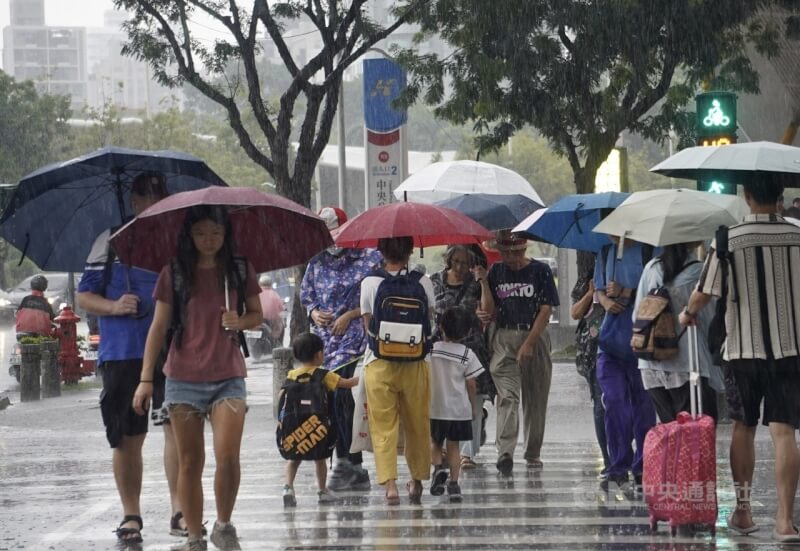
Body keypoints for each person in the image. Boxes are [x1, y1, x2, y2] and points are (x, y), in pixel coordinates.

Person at [132, 205, 262, 551]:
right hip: (183, 377)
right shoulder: (173, 272)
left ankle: (223, 523)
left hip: (228, 375)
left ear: (226, 235)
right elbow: (158, 327)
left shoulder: (238, 269)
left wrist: (239, 321)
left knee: (228, 455)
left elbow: (257, 316)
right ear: (190, 235)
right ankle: (193, 535)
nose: (209, 240)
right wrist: (146, 380)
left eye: (216, 233)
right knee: (190, 461)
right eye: (202, 233)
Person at [680, 176, 800, 542]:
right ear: (781, 198)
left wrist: (687, 313)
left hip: (742, 352)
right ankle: (785, 521)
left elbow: (705, 292)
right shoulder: (798, 236)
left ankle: (744, 512)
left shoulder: (728, 240)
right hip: (790, 351)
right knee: (784, 433)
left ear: (747, 197)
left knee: (743, 428)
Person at [77, 172, 174, 545]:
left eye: (159, 195)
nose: (153, 203)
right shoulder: (110, 241)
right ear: (134, 202)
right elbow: (85, 296)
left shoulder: (176, 238)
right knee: (126, 438)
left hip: (170, 349)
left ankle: (179, 509)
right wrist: (115, 306)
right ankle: (131, 513)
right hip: (122, 353)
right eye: (147, 197)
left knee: (176, 431)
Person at [300, 206, 382, 492]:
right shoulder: (316, 263)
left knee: (345, 397)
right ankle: (344, 460)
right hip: (324, 344)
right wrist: (314, 314)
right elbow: (307, 297)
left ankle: (352, 461)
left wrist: (351, 314)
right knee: (328, 402)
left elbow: (379, 297)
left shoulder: (370, 259)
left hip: (354, 341)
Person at [475, 230, 558, 475]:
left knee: (535, 398)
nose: (510, 257)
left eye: (516, 252)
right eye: (505, 252)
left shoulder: (540, 271)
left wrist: (530, 343)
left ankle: (532, 452)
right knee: (507, 396)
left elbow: (546, 310)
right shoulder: (497, 272)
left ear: (524, 250)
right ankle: (505, 452)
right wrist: (482, 282)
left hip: (535, 335)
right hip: (504, 337)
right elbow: (489, 309)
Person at [360, 236, 434, 505]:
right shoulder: (422, 281)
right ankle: (415, 482)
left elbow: (368, 324)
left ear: (380, 250)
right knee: (417, 424)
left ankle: (390, 486)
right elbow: (430, 321)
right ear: (411, 250)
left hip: (379, 363)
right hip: (415, 363)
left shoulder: (370, 282)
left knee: (383, 427)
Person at [594, 237, 657, 494]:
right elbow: (598, 288)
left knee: (643, 408)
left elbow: (660, 290)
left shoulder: (651, 251)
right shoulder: (606, 251)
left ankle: (643, 466)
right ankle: (618, 464)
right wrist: (605, 300)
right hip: (610, 344)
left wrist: (628, 291)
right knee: (615, 401)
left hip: (643, 343)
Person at [634, 243, 723, 423]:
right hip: (689, 363)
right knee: (696, 433)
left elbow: (637, 315)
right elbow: (712, 318)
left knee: (669, 433)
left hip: (651, 365)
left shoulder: (651, 269)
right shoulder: (699, 272)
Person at [429, 245, 493, 469]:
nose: (460, 267)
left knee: (472, 399)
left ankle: (466, 454)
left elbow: (488, 310)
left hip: (470, 346)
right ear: (448, 260)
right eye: (456, 261)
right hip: (442, 347)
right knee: (445, 400)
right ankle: (447, 449)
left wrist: (483, 281)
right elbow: (429, 310)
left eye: (465, 263)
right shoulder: (434, 280)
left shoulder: (475, 282)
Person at [281, 333, 359, 507]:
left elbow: (282, 397)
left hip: (296, 425)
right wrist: (363, 378)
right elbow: (346, 383)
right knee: (320, 459)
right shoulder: (324, 375)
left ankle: (288, 487)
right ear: (318, 355)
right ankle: (322, 491)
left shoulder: (292, 374)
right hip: (317, 425)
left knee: (294, 459)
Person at [428, 307, 485, 502]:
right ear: (468, 332)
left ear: (441, 327)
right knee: (454, 447)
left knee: (435, 443)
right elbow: (471, 383)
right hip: (459, 411)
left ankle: (437, 470)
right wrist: (472, 407)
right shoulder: (467, 354)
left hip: (435, 408)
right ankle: (454, 483)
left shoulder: (433, 350)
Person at [570, 260, 610, 478]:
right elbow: (575, 313)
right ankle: (608, 458)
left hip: (619, 346)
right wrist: (591, 293)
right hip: (592, 354)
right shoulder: (588, 277)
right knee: (600, 404)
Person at [258, 274, 285, 342]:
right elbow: (281, 309)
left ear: (259, 283)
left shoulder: (255, 294)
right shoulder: (275, 294)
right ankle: (278, 345)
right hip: (271, 323)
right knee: (281, 326)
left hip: (256, 322)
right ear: (270, 284)